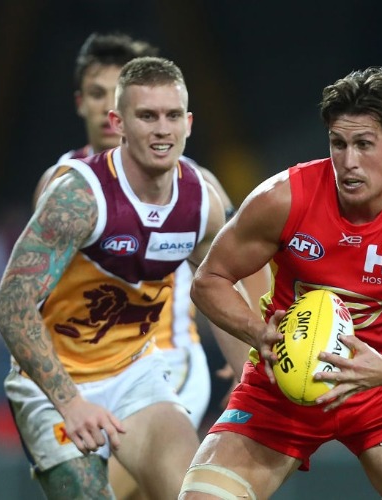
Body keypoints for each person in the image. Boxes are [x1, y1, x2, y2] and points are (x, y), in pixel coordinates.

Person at [181, 66, 382, 499]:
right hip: (282, 383)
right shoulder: (283, 197)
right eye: (338, 144)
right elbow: (209, 279)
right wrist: (260, 333)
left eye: (364, 145)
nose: (348, 162)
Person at [31, 33, 268, 499]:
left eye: (117, 91)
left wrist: (249, 363)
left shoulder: (197, 188)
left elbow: (240, 271)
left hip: (168, 362)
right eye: (97, 93)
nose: (106, 107)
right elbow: (33, 300)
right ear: (84, 103)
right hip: (81, 371)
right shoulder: (61, 187)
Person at [0, 56, 224, 499]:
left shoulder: (201, 201)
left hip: (135, 371)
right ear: (118, 122)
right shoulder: (77, 196)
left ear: (189, 122)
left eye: (172, 115)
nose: (162, 129)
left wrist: (250, 363)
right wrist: (70, 403)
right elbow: (11, 305)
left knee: (196, 493)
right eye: (147, 116)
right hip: (55, 380)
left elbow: (219, 285)